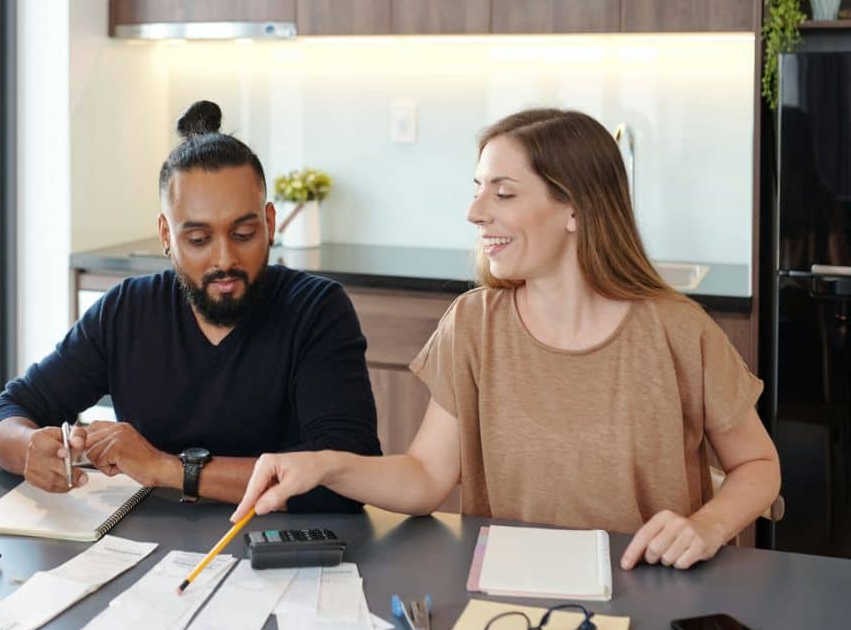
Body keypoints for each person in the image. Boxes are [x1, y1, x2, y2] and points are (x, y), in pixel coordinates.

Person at [231, 108, 781, 570]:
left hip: (651, 585)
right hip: (511, 592)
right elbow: (426, 477)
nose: (475, 212)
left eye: (503, 193)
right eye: (478, 190)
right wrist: (324, 465)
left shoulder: (678, 331)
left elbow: (757, 466)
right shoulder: (474, 325)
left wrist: (707, 526)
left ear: (575, 209)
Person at [0, 100, 380, 512]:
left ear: (270, 224)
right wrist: (30, 447)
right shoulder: (127, 312)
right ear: (166, 235)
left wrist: (167, 469)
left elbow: (349, 475)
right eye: (199, 240)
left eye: (243, 233)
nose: (224, 259)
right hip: (150, 551)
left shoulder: (316, 311)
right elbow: (6, 414)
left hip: (276, 553)